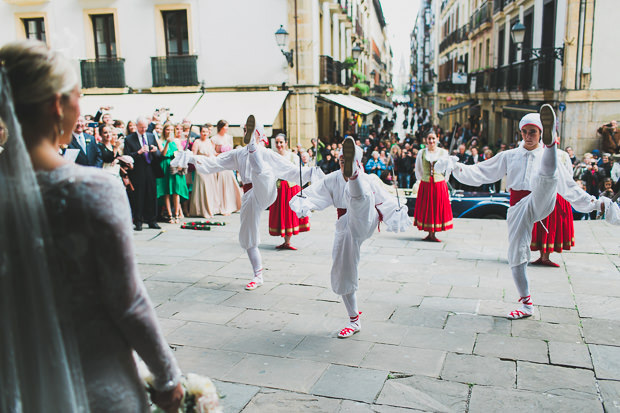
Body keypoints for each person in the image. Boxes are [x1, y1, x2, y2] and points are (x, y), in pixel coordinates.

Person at [0, 39, 183, 412]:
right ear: (57, 104)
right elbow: (128, 302)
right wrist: (167, 377)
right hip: (96, 385)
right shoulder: (93, 189)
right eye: (78, 96)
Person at [438, 107, 610, 319]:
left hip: (542, 198)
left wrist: (593, 203)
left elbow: (568, 186)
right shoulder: (510, 155)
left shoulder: (548, 158)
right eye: (525, 132)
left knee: (548, 177)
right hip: (518, 208)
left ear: (540, 133)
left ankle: (551, 145)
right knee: (516, 255)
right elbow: (482, 172)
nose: (528, 136)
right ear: (520, 133)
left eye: (534, 132)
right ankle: (527, 304)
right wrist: (456, 168)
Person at [171, 116, 321, 290]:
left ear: (257, 134)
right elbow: (215, 162)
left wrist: (311, 173)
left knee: (263, 172)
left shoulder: (265, 153)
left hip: (265, 189)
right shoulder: (237, 153)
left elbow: (288, 169)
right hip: (250, 196)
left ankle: (255, 153)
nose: (245, 132)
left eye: (249, 131)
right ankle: (258, 275)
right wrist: (190, 157)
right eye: (244, 130)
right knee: (248, 236)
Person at [289, 138, 410, 338]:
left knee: (362, 195)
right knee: (342, 269)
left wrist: (395, 213)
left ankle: (355, 178)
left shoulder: (369, 179)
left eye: (349, 160)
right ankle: (354, 318)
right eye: (343, 160)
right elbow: (316, 192)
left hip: (364, 219)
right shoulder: (333, 178)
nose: (343, 162)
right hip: (346, 226)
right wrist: (305, 202)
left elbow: (384, 201)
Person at [530, 141, 575, 267]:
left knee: (552, 225)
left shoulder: (562, 155)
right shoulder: (537, 154)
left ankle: (546, 256)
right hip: (542, 193)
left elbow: (568, 175)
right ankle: (542, 255)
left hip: (557, 194)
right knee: (541, 224)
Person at [268, 134, 310, 250]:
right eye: (277, 142)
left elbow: (296, 172)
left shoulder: (293, 157)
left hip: (291, 188)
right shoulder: (273, 156)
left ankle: (288, 241)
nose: (279, 145)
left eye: (281, 142)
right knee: (282, 213)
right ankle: (285, 241)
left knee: (289, 213)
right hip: (279, 188)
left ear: (286, 143)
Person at [413, 132, 453, 242]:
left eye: (433, 139)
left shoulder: (443, 152)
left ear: (437, 139)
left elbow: (448, 167)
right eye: (429, 139)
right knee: (427, 207)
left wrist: (445, 179)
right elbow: (418, 168)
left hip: (438, 183)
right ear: (426, 140)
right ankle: (429, 233)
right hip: (426, 183)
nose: (431, 141)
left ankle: (434, 233)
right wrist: (422, 178)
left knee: (436, 207)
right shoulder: (422, 152)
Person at [124, 117, 162, 231]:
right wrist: (138, 152)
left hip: (150, 168)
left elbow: (158, 154)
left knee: (151, 195)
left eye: (145, 127)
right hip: (137, 170)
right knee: (138, 196)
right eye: (141, 127)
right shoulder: (129, 138)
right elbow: (127, 155)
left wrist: (155, 151)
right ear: (136, 126)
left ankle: (152, 220)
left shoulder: (151, 136)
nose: (143, 129)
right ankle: (138, 221)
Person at [157, 123, 189, 223]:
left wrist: (180, 165)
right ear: (164, 131)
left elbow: (181, 154)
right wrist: (167, 143)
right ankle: (169, 215)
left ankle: (177, 215)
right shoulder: (160, 141)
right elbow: (163, 153)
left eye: (171, 130)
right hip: (165, 165)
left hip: (175, 166)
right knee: (166, 191)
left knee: (176, 191)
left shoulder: (177, 141)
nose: (169, 132)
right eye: (167, 130)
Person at [189, 124, 220, 218]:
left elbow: (213, 153)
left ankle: (211, 209)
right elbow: (193, 156)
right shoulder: (197, 142)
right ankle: (201, 210)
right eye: (203, 132)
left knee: (210, 188)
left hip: (210, 167)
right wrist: (201, 158)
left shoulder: (211, 142)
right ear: (200, 132)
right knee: (203, 187)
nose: (205, 133)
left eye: (206, 132)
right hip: (201, 167)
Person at [211, 119, 242, 215]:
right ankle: (222, 206)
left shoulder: (229, 138)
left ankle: (233, 205)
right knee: (221, 184)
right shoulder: (214, 138)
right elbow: (212, 152)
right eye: (226, 126)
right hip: (220, 163)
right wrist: (221, 154)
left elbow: (231, 150)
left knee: (231, 183)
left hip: (228, 163)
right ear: (221, 127)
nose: (227, 128)